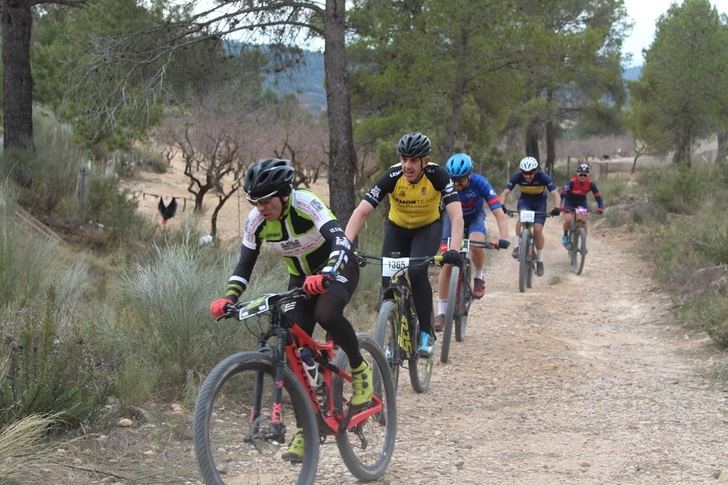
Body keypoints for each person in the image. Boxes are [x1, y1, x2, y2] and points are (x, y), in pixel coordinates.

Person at [209, 157, 370, 463]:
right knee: (292, 346)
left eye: (265, 201)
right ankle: (306, 425)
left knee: (326, 313)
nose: (260, 208)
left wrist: (326, 274)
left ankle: (361, 370)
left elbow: (341, 241)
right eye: (253, 201)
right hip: (300, 278)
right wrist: (230, 297)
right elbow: (244, 264)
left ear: (284, 194)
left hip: (337, 267)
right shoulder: (257, 222)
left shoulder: (306, 203)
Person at [345, 132, 464, 357]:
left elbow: (456, 217)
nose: (407, 165)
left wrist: (454, 250)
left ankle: (427, 334)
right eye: (403, 159)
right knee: (388, 282)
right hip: (397, 229)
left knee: (417, 271)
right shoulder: (392, 176)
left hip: (427, 228)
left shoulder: (438, 175)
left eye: (413, 160)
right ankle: (393, 332)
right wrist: (344, 246)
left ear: (425, 161)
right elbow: (361, 212)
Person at [434, 153, 510, 331]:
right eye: (453, 179)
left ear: (470, 175)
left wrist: (504, 237)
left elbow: (498, 213)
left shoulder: (480, 183)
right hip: (452, 220)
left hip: (475, 218)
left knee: (476, 243)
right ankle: (442, 312)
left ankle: (478, 276)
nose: (457, 183)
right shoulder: (444, 185)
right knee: (446, 262)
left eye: (460, 179)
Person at [499, 156, 561, 277]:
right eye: (525, 173)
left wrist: (557, 207)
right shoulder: (517, 176)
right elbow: (505, 193)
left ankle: (540, 260)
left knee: (537, 230)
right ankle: (517, 246)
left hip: (540, 203)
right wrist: (501, 204)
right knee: (522, 218)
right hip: (525, 201)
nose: (527, 176)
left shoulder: (543, 177)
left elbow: (555, 194)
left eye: (530, 173)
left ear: (535, 171)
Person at [560, 163, 605, 247]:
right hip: (570, 201)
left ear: (587, 175)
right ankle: (565, 235)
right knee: (568, 219)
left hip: (581, 201)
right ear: (578, 174)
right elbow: (562, 194)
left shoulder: (591, 184)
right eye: (581, 174)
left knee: (583, 220)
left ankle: (583, 243)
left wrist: (601, 207)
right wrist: (560, 205)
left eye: (585, 175)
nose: (583, 176)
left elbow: (598, 197)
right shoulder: (572, 182)